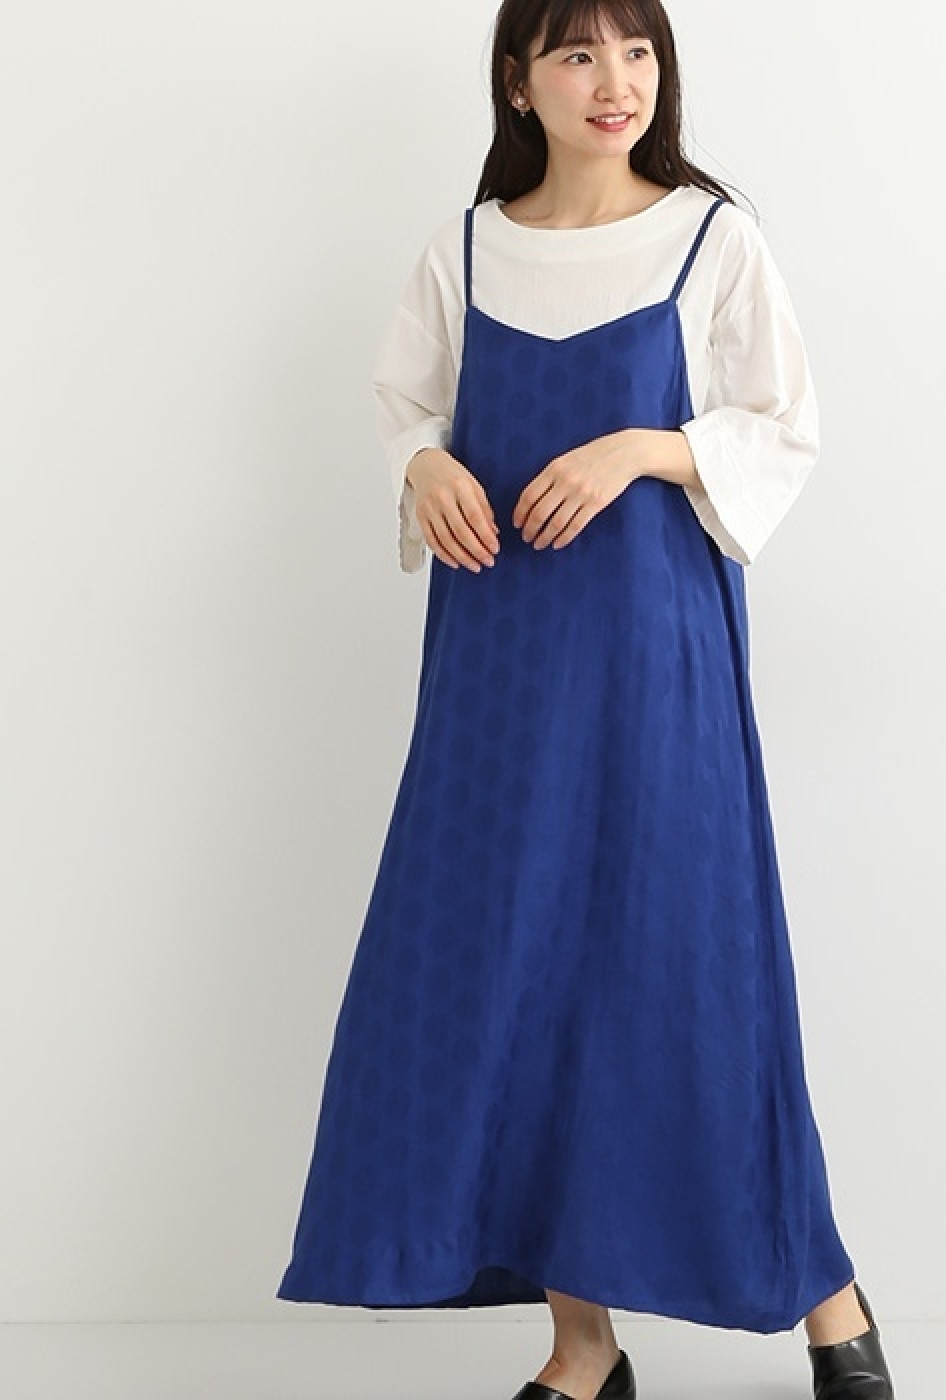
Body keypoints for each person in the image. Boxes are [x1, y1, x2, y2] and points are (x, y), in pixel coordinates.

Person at [276, 3, 896, 1398]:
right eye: (576, 54)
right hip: (496, 670)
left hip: (653, 656)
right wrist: (421, 465)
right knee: (519, 973)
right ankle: (582, 1345)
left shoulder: (710, 239)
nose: (615, 82)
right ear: (519, 83)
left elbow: (782, 425)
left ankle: (828, 1297)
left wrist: (642, 449)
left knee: (684, 966)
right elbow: (404, 406)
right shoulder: (465, 249)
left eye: (637, 51)